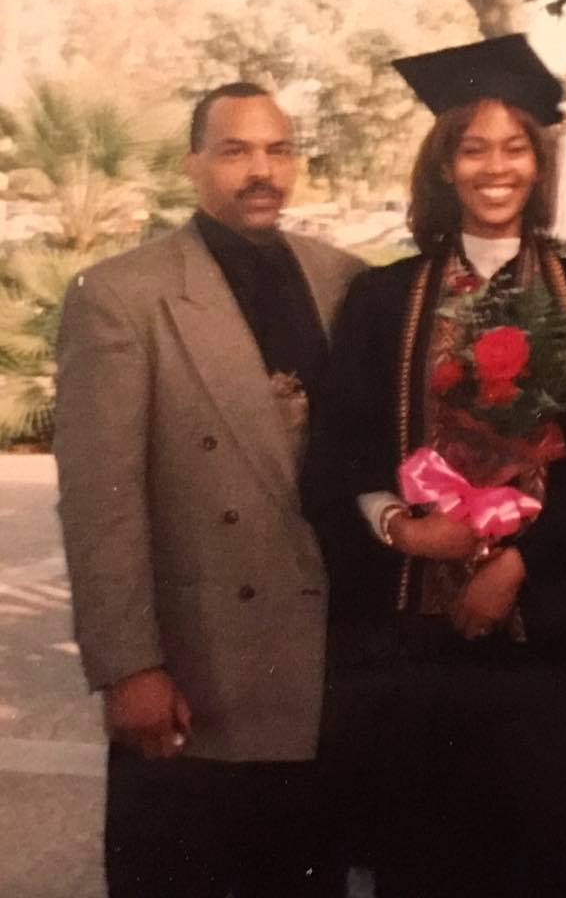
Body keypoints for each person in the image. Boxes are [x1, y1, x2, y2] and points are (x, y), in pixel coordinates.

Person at [326, 34, 566, 898]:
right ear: (445, 165)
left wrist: (516, 566)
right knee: (431, 860)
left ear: (540, 166)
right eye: (473, 148)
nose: (495, 168)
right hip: (417, 641)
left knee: (552, 860)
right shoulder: (384, 297)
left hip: (555, 634)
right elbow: (339, 449)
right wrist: (399, 525)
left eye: (515, 148)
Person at [53, 82, 363, 898]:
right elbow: (101, 502)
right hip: (196, 679)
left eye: (278, 149)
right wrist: (129, 667)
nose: (261, 170)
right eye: (234, 151)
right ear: (193, 165)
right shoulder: (122, 295)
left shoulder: (346, 280)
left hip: (326, 673)